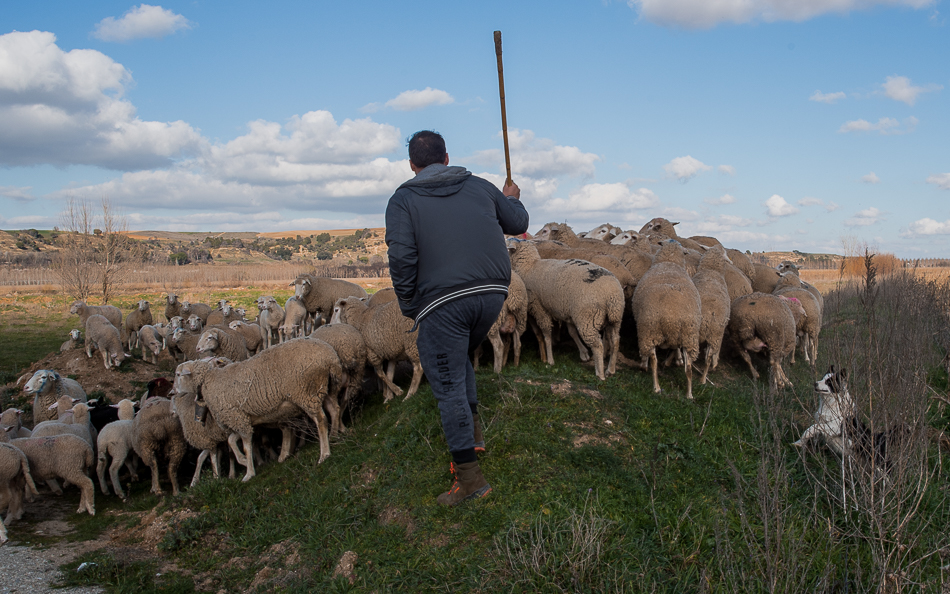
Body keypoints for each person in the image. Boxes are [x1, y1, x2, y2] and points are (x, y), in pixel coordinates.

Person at [385, 130, 529, 505]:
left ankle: (470, 482)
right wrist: (511, 198)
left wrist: (409, 305)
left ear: (412, 166)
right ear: (447, 158)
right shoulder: (480, 186)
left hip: (444, 300)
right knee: (458, 356)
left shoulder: (403, 200)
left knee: (445, 383)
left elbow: (401, 259)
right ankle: (475, 435)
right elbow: (517, 222)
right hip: (494, 292)